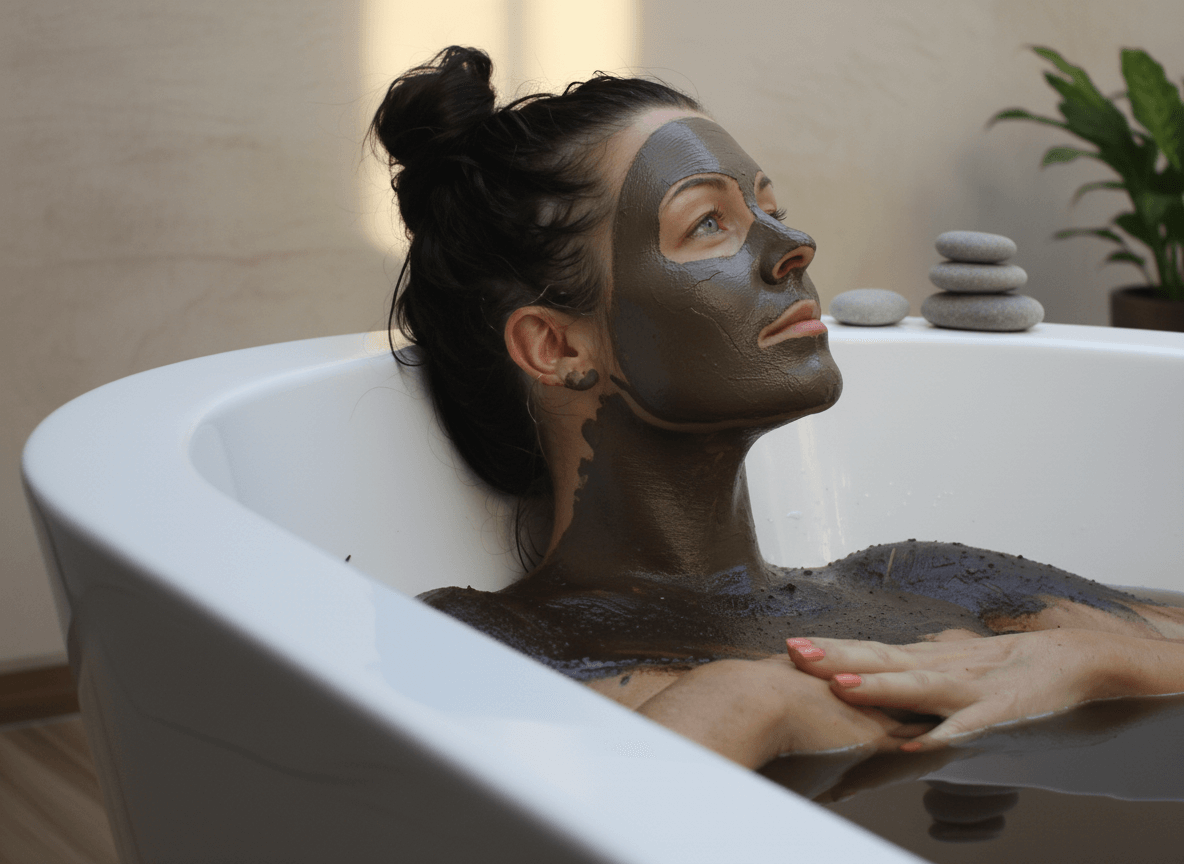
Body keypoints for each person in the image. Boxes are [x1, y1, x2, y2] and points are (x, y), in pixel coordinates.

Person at [368, 46, 1184, 771]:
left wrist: (1096, 663)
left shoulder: (919, 578)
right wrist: (749, 703)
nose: (793, 246)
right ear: (558, 347)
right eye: (709, 222)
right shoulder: (480, 644)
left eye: (769, 207)